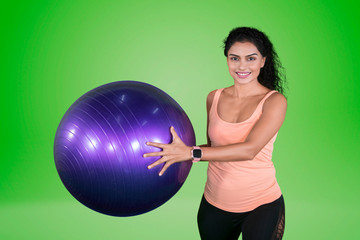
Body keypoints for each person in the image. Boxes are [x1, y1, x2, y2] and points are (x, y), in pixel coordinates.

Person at [143, 26, 287, 240]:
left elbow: (249, 150)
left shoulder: (274, 101)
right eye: (234, 58)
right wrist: (176, 152)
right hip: (215, 203)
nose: (242, 66)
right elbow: (215, 149)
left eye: (251, 58)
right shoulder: (214, 97)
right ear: (227, 59)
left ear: (263, 61)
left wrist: (191, 153)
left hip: (262, 204)